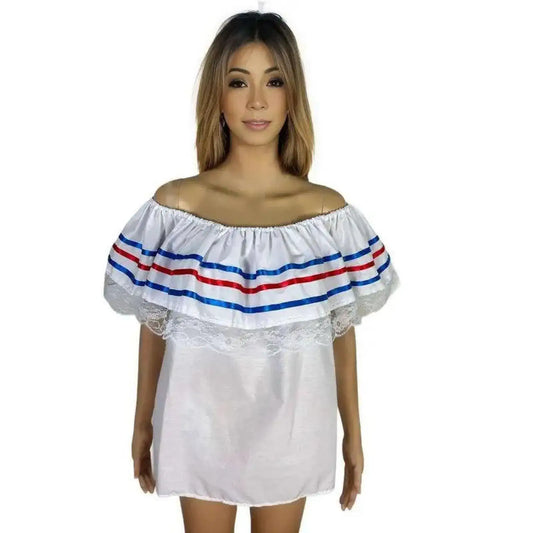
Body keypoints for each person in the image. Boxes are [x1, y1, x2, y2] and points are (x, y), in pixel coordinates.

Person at [103, 9, 400, 533]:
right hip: (196, 418)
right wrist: (142, 419)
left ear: (293, 95)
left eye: (274, 81)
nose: (257, 101)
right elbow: (155, 323)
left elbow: (340, 330)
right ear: (217, 96)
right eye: (239, 82)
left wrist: (353, 433)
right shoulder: (174, 210)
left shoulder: (326, 217)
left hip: (293, 421)